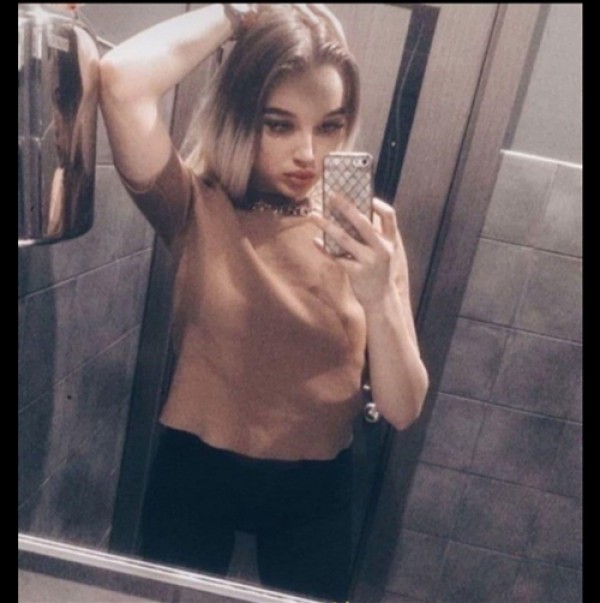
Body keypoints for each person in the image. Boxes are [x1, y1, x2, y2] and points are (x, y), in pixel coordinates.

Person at [99, 4, 428, 601]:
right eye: (279, 125)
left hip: (315, 490)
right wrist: (237, 11)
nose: (309, 152)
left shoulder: (371, 235)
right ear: (241, 116)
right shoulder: (196, 205)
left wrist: (380, 293)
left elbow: (403, 409)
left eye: (329, 126)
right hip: (195, 472)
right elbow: (122, 78)